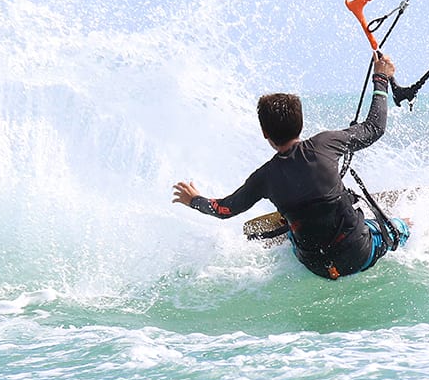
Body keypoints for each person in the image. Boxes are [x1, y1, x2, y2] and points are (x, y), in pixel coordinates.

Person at [172, 52, 410, 280]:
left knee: (295, 225)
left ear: (265, 133)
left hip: (315, 267)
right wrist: (380, 78)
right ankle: (411, 229)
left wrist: (193, 199)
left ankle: (292, 228)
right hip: (358, 255)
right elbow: (374, 128)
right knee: (401, 226)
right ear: (301, 123)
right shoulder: (325, 144)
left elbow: (225, 209)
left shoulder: (264, 177)